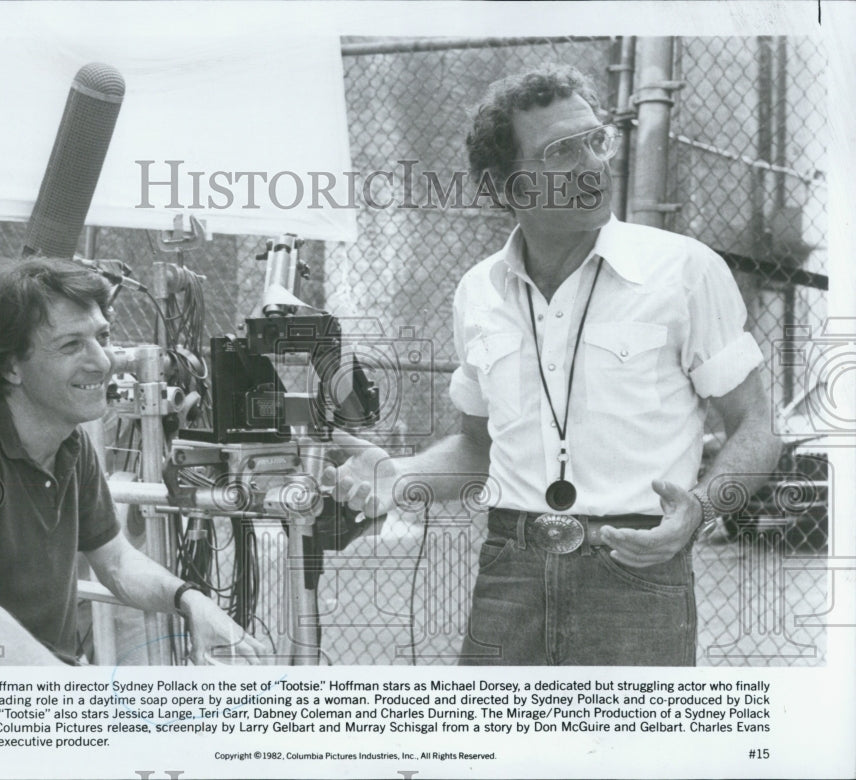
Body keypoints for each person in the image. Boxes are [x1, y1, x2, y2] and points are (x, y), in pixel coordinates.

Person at [326, 64, 782, 665]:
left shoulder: (684, 272)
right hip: (509, 574)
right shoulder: (478, 293)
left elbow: (757, 426)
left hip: (637, 571)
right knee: (495, 757)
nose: (594, 164)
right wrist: (400, 478)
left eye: (596, 140)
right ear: (506, 187)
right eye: (562, 152)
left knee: (624, 760)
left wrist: (697, 510)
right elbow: (477, 447)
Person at [0, 256, 267, 666]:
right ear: (12, 366)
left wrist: (189, 600)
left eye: (102, 336)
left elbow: (115, 561)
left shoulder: (71, 443)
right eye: (71, 345)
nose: (102, 361)